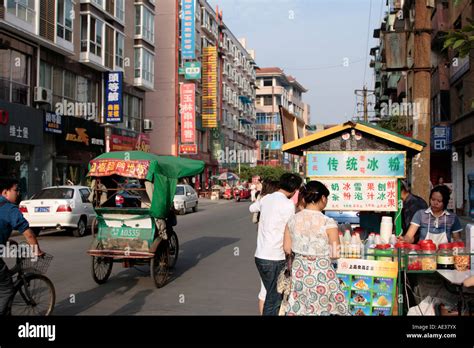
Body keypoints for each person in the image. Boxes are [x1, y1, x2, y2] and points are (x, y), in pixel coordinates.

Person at [283, 181, 349, 316]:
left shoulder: (292, 220)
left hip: (299, 272)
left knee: (300, 308)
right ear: (323, 198)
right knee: (320, 308)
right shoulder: (328, 222)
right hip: (322, 273)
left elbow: (287, 249)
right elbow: (335, 253)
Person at [249, 173, 302, 316]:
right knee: (273, 300)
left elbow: (251, 209)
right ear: (295, 190)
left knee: (270, 295)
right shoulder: (288, 205)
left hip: (260, 256)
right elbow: (291, 230)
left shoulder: (266, 199)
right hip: (275, 258)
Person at [0, 178, 43, 315]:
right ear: (5, 192)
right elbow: (28, 234)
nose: (18, 193)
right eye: (16, 190)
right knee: (7, 287)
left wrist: (8, 241)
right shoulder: (10, 209)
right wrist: (37, 250)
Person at [250, 180, 279, 315]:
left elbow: (251, 208)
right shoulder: (281, 203)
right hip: (275, 255)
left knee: (265, 290)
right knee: (273, 292)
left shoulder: (264, 200)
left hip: (262, 254)